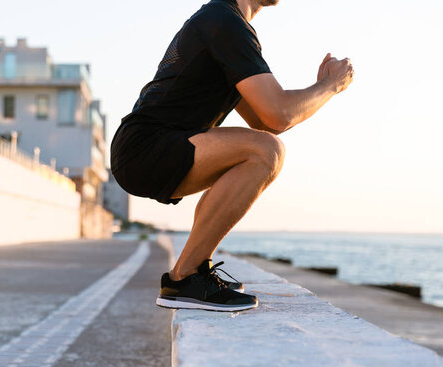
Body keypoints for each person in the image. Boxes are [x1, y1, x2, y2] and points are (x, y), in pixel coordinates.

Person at [110, 0, 354, 312]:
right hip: (145, 148)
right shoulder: (224, 22)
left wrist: (320, 89)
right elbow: (278, 114)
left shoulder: (225, 21)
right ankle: (185, 277)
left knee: (261, 149)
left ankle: (193, 273)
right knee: (265, 151)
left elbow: (264, 120)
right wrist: (329, 85)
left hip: (146, 148)